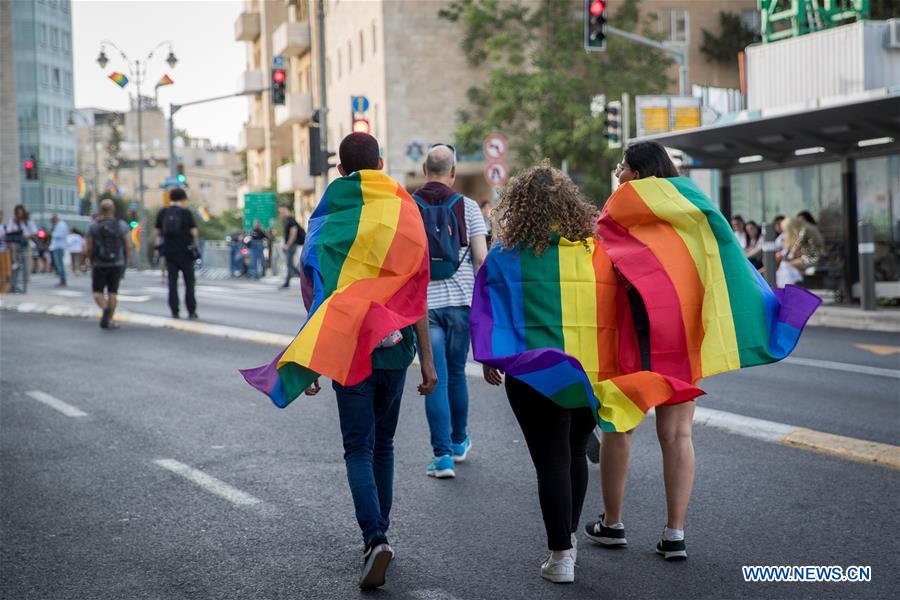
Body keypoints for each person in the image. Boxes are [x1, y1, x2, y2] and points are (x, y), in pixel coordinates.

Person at [291, 133, 437, 589]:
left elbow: (316, 282)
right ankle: (383, 533)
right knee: (383, 446)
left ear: (339, 171)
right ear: (379, 162)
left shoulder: (329, 215)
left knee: (358, 447)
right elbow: (417, 290)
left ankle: (374, 538)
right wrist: (428, 362)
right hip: (396, 351)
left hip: (349, 347)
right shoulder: (403, 212)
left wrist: (312, 359)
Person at [480, 164, 600, 584]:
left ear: (520, 206)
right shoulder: (592, 252)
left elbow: (489, 311)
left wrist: (492, 358)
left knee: (551, 461)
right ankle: (569, 538)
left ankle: (561, 556)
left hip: (532, 374)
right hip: (588, 371)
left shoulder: (504, 254)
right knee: (574, 450)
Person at [586, 141, 692, 561]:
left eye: (623, 167)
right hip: (680, 333)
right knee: (679, 434)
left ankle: (612, 524)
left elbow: (599, 268)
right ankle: (675, 534)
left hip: (633, 332)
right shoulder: (688, 212)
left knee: (619, 427)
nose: (618, 173)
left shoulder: (619, 213)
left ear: (639, 173)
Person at [412, 144, 488, 478]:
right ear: (453, 172)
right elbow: (481, 258)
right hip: (461, 303)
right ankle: (458, 442)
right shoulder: (469, 207)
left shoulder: (409, 207)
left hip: (424, 308)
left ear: (425, 170)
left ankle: (441, 457)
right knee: (456, 374)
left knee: (434, 376)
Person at [85, 199, 131, 329]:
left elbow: (88, 247)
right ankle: (110, 319)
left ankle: (104, 308)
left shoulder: (93, 226)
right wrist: (126, 259)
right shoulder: (121, 225)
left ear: (100, 210)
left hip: (99, 263)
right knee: (113, 292)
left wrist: (89, 259)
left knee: (98, 292)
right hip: (117, 262)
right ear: (113, 209)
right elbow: (129, 245)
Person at [155, 188, 199, 319]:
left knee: (172, 283)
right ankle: (191, 311)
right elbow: (194, 233)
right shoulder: (186, 213)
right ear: (183, 199)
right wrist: (196, 247)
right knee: (189, 283)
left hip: (169, 252)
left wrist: (157, 249)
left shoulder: (163, 212)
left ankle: (175, 311)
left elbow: (158, 234)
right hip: (185, 252)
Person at [279, 205, 305, 288]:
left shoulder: (291, 220)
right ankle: (303, 277)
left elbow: (293, 232)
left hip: (292, 244)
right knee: (290, 263)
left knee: (289, 263)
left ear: (286, 210)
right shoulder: (286, 220)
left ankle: (288, 282)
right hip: (290, 244)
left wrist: (288, 245)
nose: (281, 213)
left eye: (282, 211)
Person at [48, 214, 69, 287]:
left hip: (59, 246)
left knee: (60, 264)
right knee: (59, 264)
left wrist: (52, 233)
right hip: (58, 246)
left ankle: (62, 280)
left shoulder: (61, 225)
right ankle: (62, 280)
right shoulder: (60, 225)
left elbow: (60, 235)